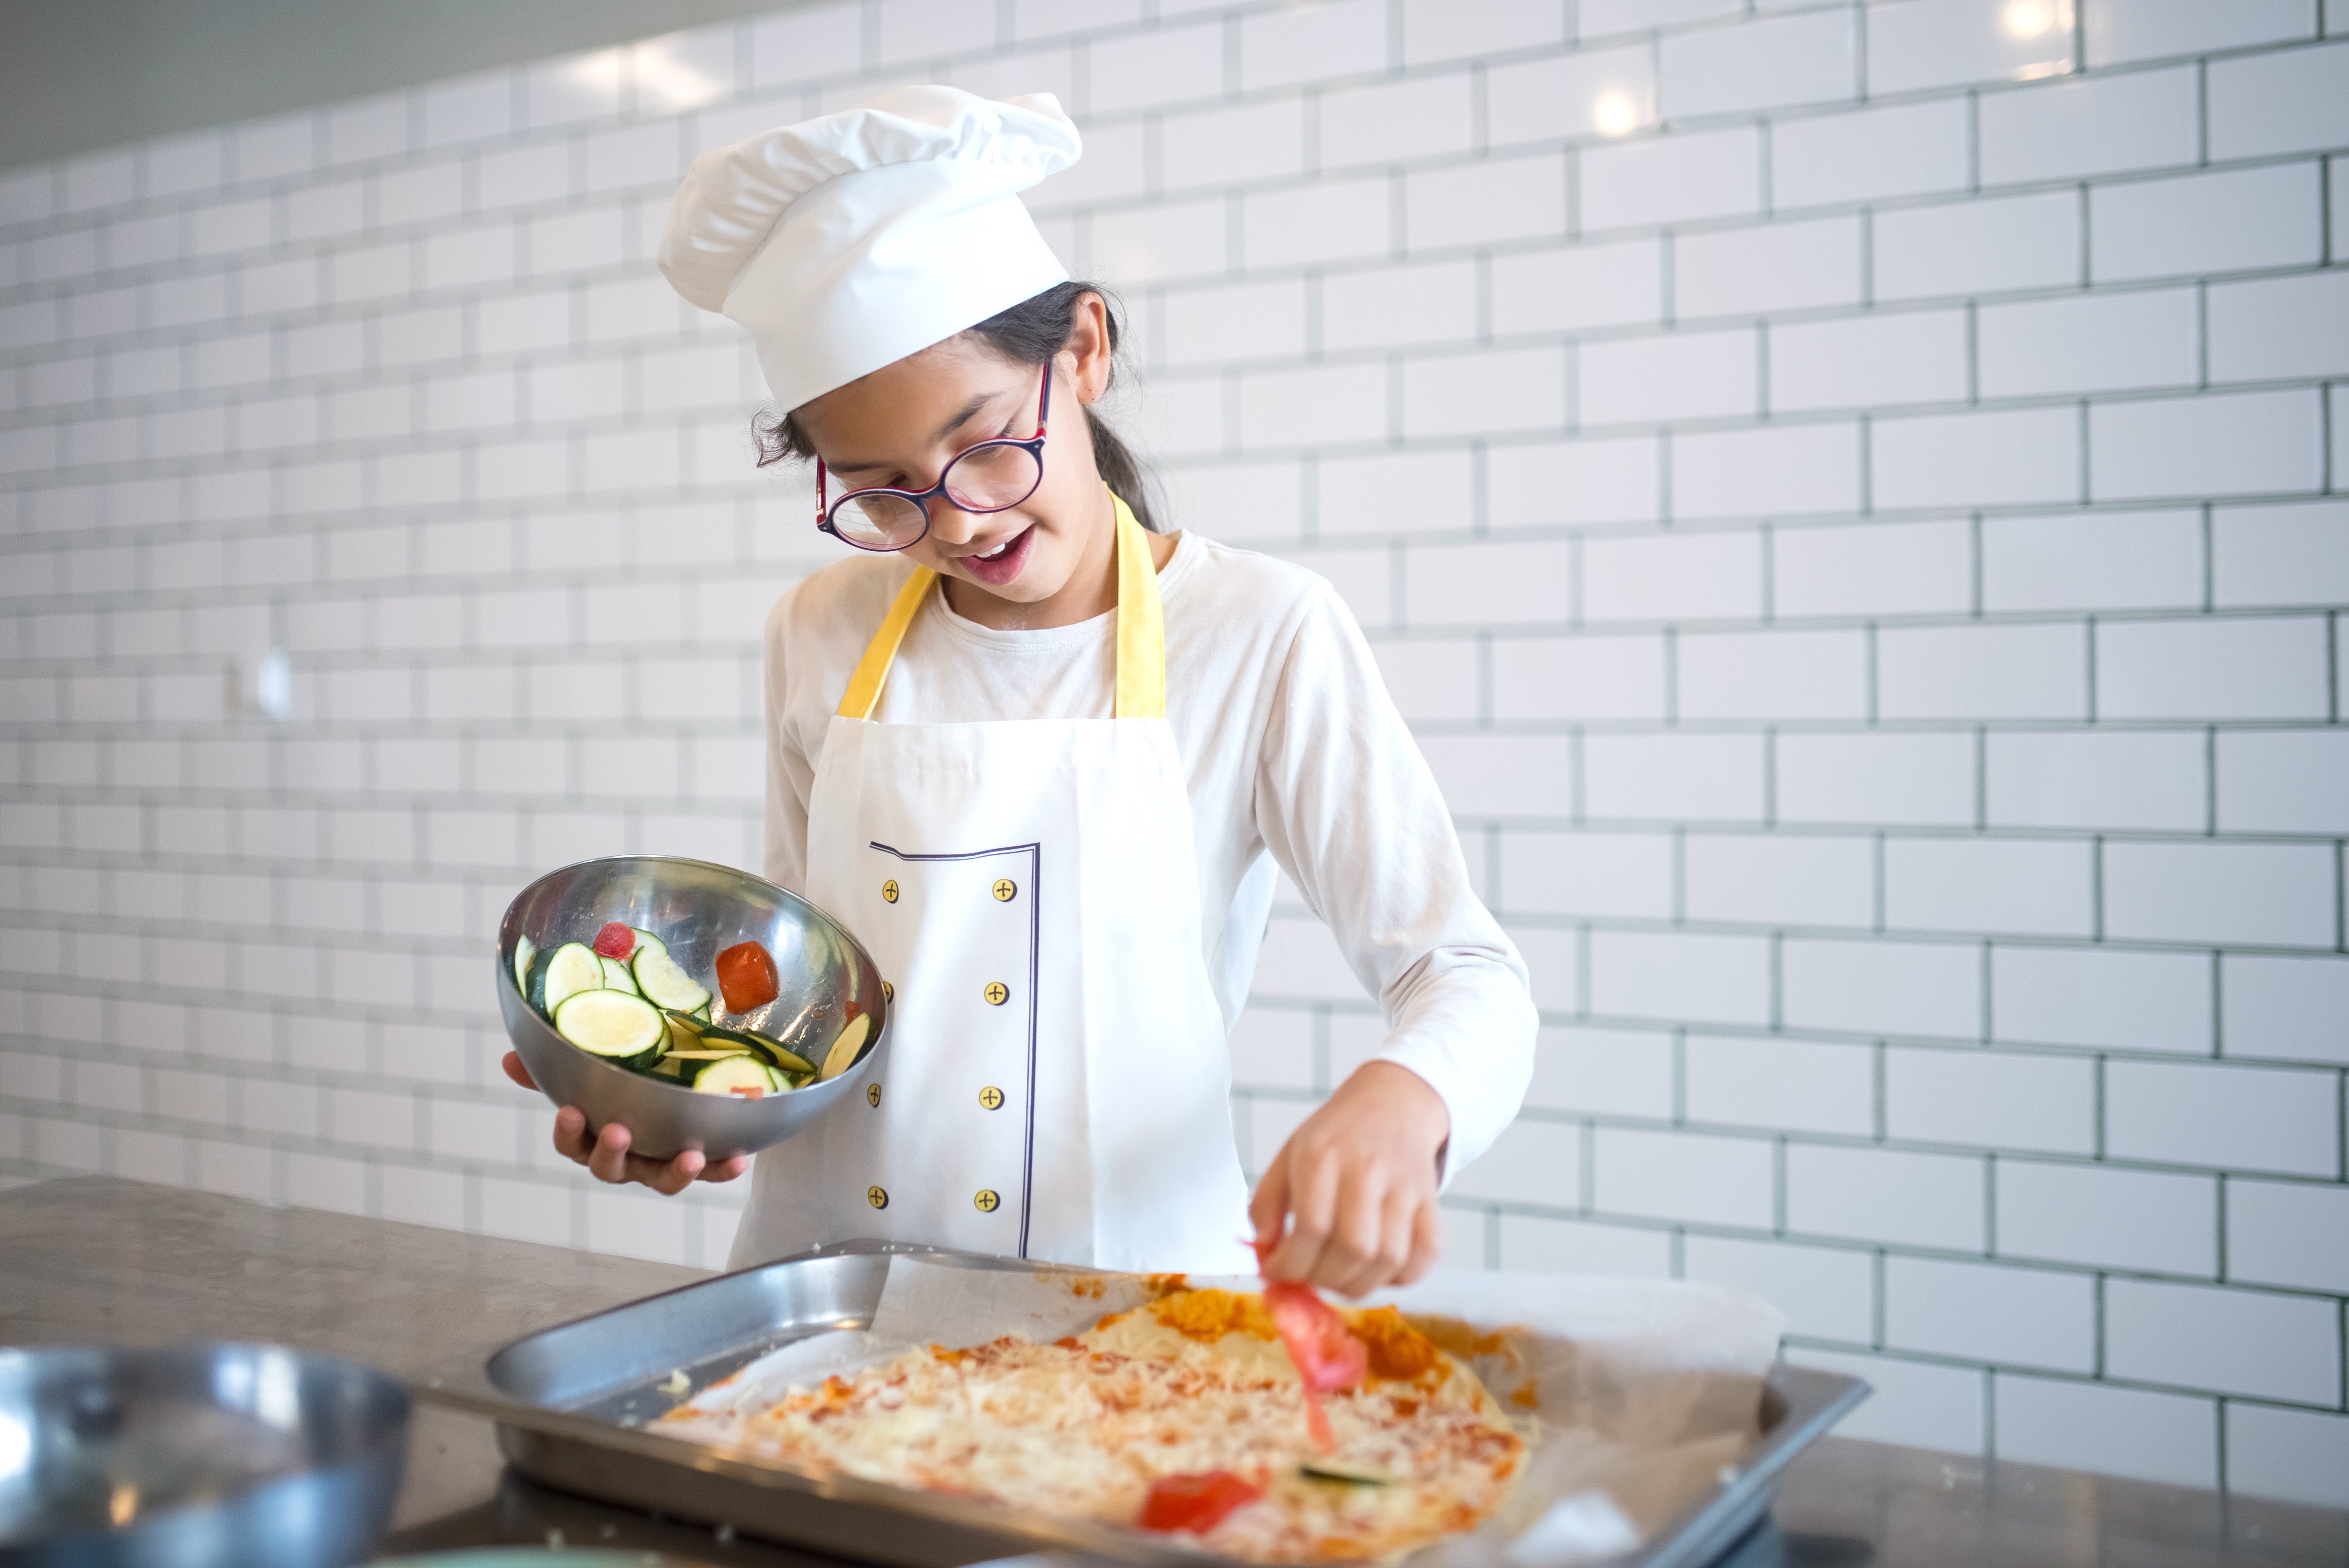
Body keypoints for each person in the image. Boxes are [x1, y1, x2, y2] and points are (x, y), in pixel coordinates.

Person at [502, 86, 1535, 1294]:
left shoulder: (1259, 630)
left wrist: (1402, 1099)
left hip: (1135, 1324)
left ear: (1083, 349)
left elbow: (1466, 974)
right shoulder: (818, 632)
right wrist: (690, 1108)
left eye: (987, 441)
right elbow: (800, 998)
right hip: (824, 1311)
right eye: (884, 490)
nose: (957, 517)